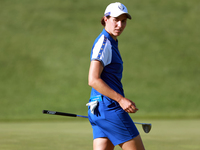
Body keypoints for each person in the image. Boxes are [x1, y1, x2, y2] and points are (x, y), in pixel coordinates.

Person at [87, 2, 145, 150]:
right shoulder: (104, 43)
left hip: (99, 109)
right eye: (115, 20)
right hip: (110, 109)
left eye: (123, 21)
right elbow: (93, 80)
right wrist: (121, 100)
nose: (120, 25)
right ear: (106, 19)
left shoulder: (110, 42)